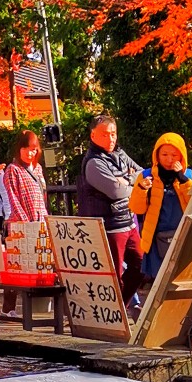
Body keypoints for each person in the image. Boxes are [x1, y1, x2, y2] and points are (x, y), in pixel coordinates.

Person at [75, 113, 142, 301]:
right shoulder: (94, 162)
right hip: (110, 226)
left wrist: (126, 180)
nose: (110, 138)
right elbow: (116, 191)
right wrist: (131, 182)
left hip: (128, 221)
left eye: (113, 133)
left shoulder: (120, 154)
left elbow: (144, 174)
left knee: (141, 266)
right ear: (93, 136)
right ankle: (114, 315)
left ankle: (121, 306)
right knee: (114, 275)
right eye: (105, 134)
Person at [130, 133, 192, 282]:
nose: (169, 159)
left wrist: (182, 179)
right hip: (156, 240)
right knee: (159, 283)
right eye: (164, 154)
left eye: (174, 155)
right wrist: (141, 188)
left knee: (183, 282)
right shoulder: (146, 176)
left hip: (185, 238)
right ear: (156, 155)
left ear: (182, 156)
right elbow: (137, 209)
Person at [3, 127, 48, 227]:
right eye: (24, 149)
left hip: (41, 223)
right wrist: (26, 224)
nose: (29, 153)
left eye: (32, 150)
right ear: (19, 150)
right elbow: (13, 200)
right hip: (22, 225)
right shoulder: (13, 169)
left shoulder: (38, 169)